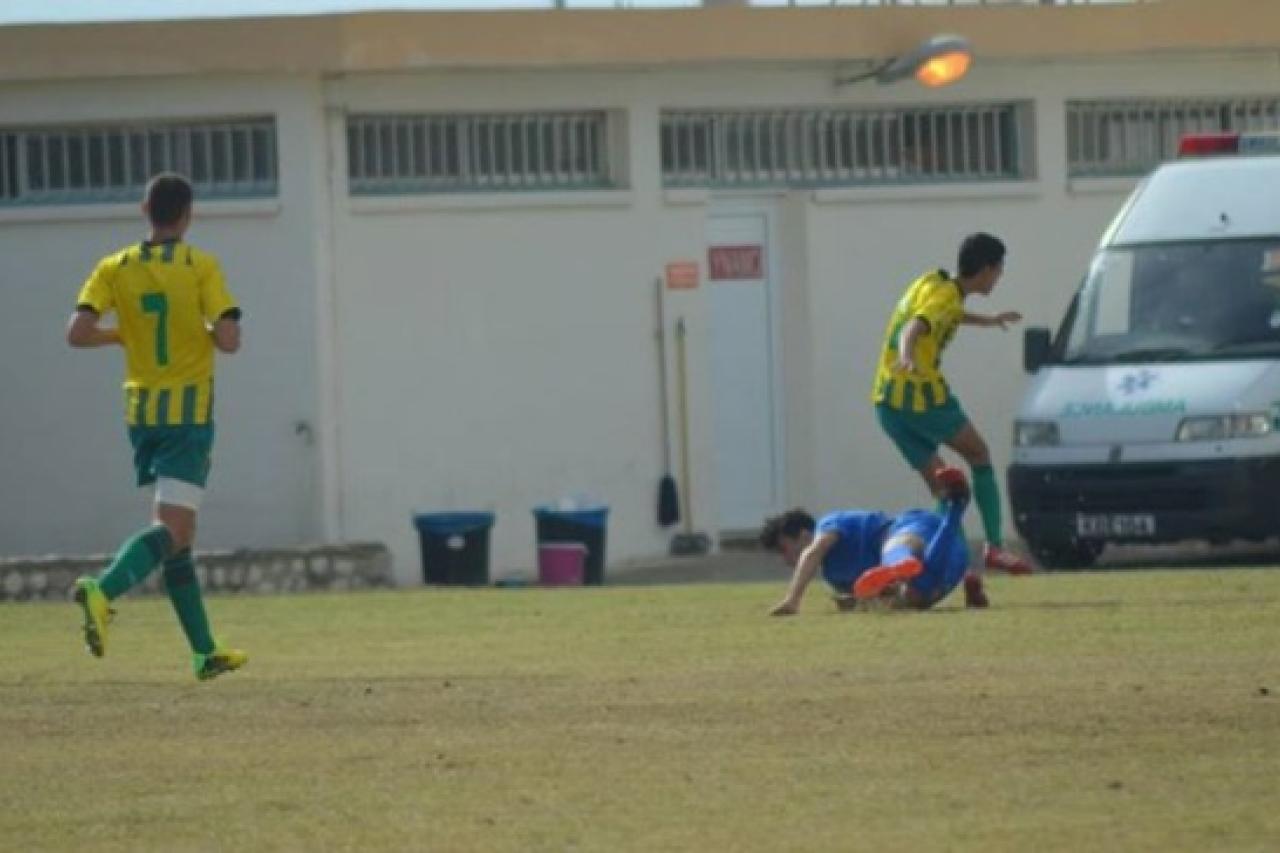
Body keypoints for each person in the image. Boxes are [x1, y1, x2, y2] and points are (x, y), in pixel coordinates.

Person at [66, 172, 248, 681]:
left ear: (146, 210)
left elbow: (77, 333)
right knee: (173, 530)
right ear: (187, 215)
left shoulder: (114, 267)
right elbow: (230, 340)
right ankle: (103, 589)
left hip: (142, 414)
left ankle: (205, 652)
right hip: (188, 416)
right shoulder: (199, 267)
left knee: (180, 538)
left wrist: (121, 336)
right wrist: (209, 328)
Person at [870, 232, 1032, 609]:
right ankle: (993, 547)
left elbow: (943, 314)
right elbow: (917, 326)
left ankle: (952, 575)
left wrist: (989, 320)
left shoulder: (934, 282)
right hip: (921, 397)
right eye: (999, 270)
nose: (1000, 278)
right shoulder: (944, 297)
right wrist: (909, 355)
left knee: (947, 493)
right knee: (980, 455)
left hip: (886, 402)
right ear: (987, 269)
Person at [765, 468, 973, 616]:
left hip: (915, 531)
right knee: (916, 594)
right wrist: (858, 602)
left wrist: (792, 600)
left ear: (803, 535)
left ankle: (899, 564)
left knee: (895, 550)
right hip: (950, 557)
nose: (785, 560)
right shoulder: (834, 576)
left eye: (784, 549)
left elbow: (813, 552)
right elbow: (879, 598)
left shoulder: (827, 525)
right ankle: (956, 508)